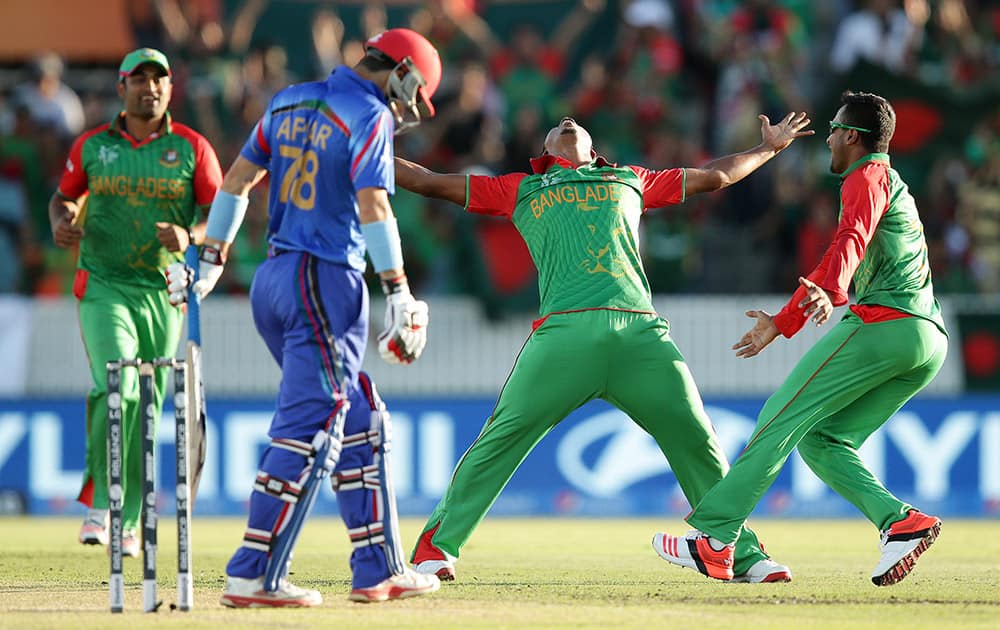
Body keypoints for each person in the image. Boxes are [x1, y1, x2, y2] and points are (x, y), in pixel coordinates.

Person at [393, 111, 814, 583]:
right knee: (502, 438)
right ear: (545, 151)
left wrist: (768, 149)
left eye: (574, 122)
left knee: (697, 440)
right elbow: (429, 181)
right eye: (555, 125)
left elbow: (714, 176)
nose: (566, 119)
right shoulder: (521, 188)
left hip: (641, 337)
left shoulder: (630, 178)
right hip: (564, 336)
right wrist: (364, 154)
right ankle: (435, 550)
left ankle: (738, 553)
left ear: (594, 149)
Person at [176, 28, 443, 607]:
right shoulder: (367, 113)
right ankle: (254, 572)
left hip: (274, 281)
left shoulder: (288, 98)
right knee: (314, 423)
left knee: (362, 417)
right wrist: (398, 290)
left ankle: (379, 569)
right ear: (403, 73)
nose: (411, 107)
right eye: (415, 91)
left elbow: (240, 179)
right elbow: (374, 206)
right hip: (325, 278)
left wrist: (213, 257)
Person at [652, 91, 947, 587]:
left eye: (834, 129)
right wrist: (787, 318)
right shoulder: (890, 179)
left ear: (852, 136)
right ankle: (900, 523)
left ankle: (716, 539)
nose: (828, 138)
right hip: (927, 337)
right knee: (821, 440)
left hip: (885, 325)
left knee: (778, 418)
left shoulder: (866, 175)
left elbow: (851, 235)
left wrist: (827, 291)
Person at [48, 48, 222, 557]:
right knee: (116, 383)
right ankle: (103, 506)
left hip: (165, 294)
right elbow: (65, 195)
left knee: (145, 403)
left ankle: (127, 521)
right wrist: (62, 218)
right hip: (103, 284)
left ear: (171, 89)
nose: (150, 87)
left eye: (159, 80)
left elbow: (221, 214)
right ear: (121, 88)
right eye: (139, 79)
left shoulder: (192, 148)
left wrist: (190, 235)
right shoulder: (93, 146)